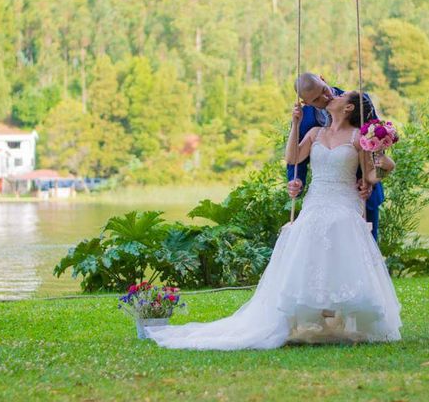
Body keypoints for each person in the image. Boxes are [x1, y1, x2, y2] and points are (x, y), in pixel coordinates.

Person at [145, 85, 402, 350]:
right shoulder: (315, 133)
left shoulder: (358, 137)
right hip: (316, 199)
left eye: (339, 97)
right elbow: (292, 157)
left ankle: (338, 317)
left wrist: (385, 164)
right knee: (310, 242)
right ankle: (317, 318)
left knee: (339, 231)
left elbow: (370, 176)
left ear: (348, 107)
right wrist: (295, 123)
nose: (333, 96)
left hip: (343, 200)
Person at [287, 73, 384, 242]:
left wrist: (370, 181)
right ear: (306, 103)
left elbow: (376, 144)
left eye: (324, 90)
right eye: (317, 100)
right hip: (318, 199)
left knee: (363, 251)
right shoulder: (306, 122)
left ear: (323, 79)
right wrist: (296, 180)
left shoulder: (356, 101)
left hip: (358, 196)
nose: (326, 98)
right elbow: (294, 157)